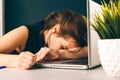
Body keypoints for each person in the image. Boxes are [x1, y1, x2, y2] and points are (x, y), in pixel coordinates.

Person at [0, 10, 88, 70]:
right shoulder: (24, 33)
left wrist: (61, 53)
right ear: (56, 29)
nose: (62, 50)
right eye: (63, 47)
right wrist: (15, 61)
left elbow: (89, 50)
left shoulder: (59, 48)